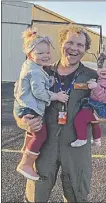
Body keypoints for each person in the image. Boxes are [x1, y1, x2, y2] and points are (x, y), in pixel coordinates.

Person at [13, 24, 98, 202]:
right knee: (36, 195)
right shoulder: (39, 71)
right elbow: (19, 102)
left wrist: (104, 115)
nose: (74, 48)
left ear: (85, 49)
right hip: (44, 148)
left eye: (80, 45)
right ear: (61, 44)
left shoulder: (93, 77)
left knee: (76, 194)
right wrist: (23, 121)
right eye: (70, 42)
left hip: (76, 150)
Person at [14, 28, 69, 181]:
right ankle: (26, 163)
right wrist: (56, 96)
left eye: (47, 53)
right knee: (40, 133)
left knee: (33, 132)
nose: (45, 56)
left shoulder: (32, 66)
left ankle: (26, 150)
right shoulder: (36, 71)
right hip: (31, 107)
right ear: (29, 53)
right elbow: (39, 93)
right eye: (40, 53)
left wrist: (48, 81)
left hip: (25, 105)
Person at [71, 52, 106, 147]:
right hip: (97, 105)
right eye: (100, 67)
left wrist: (96, 87)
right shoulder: (105, 79)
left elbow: (105, 96)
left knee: (80, 119)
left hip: (100, 107)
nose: (103, 70)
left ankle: (82, 138)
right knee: (94, 123)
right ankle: (97, 140)